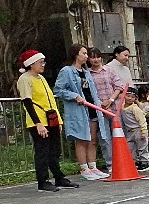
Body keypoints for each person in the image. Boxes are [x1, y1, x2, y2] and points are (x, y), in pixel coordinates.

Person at [16, 50, 78, 191]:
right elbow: (27, 102)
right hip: (39, 121)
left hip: (51, 119)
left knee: (54, 151)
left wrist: (59, 120)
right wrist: (38, 123)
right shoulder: (25, 79)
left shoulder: (41, 78)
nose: (43, 64)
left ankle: (59, 177)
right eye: (40, 62)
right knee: (42, 152)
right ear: (31, 64)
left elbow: (51, 101)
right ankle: (43, 181)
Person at [53, 44, 108, 181]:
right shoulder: (67, 71)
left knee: (92, 139)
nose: (86, 56)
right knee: (82, 139)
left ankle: (93, 166)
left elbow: (91, 90)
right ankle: (84, 168)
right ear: (75, 54)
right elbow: (58, 90)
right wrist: (74, 96)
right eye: (84, 53)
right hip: (78, 111)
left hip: (92, 108)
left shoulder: (86, 71)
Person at [120, 87, 149, 170]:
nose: (130, 98)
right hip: (130, 131)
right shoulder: (122, 107)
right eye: (128, 96)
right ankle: (135, 161)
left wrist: (143, 131)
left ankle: (145, 162)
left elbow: (142, 119)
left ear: (135, 98)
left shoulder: (135, 108)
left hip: (138, 129)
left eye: (132, 97)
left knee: (142, 147)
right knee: (131, 147)